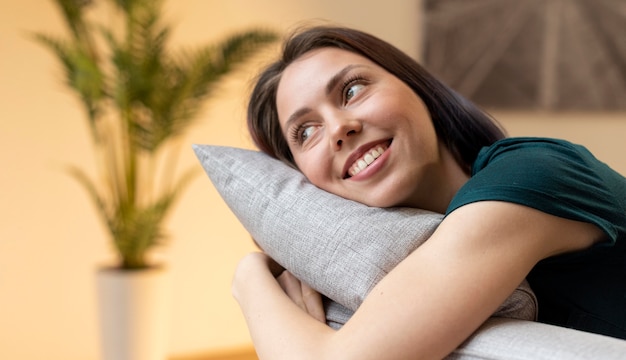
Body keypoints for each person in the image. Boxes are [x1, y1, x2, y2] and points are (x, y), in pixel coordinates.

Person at [233, 25, 626, 359]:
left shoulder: (532, 173)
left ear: (416, 88)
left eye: (352, 90)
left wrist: (249, 278)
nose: (338, 128)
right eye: (306, 132)